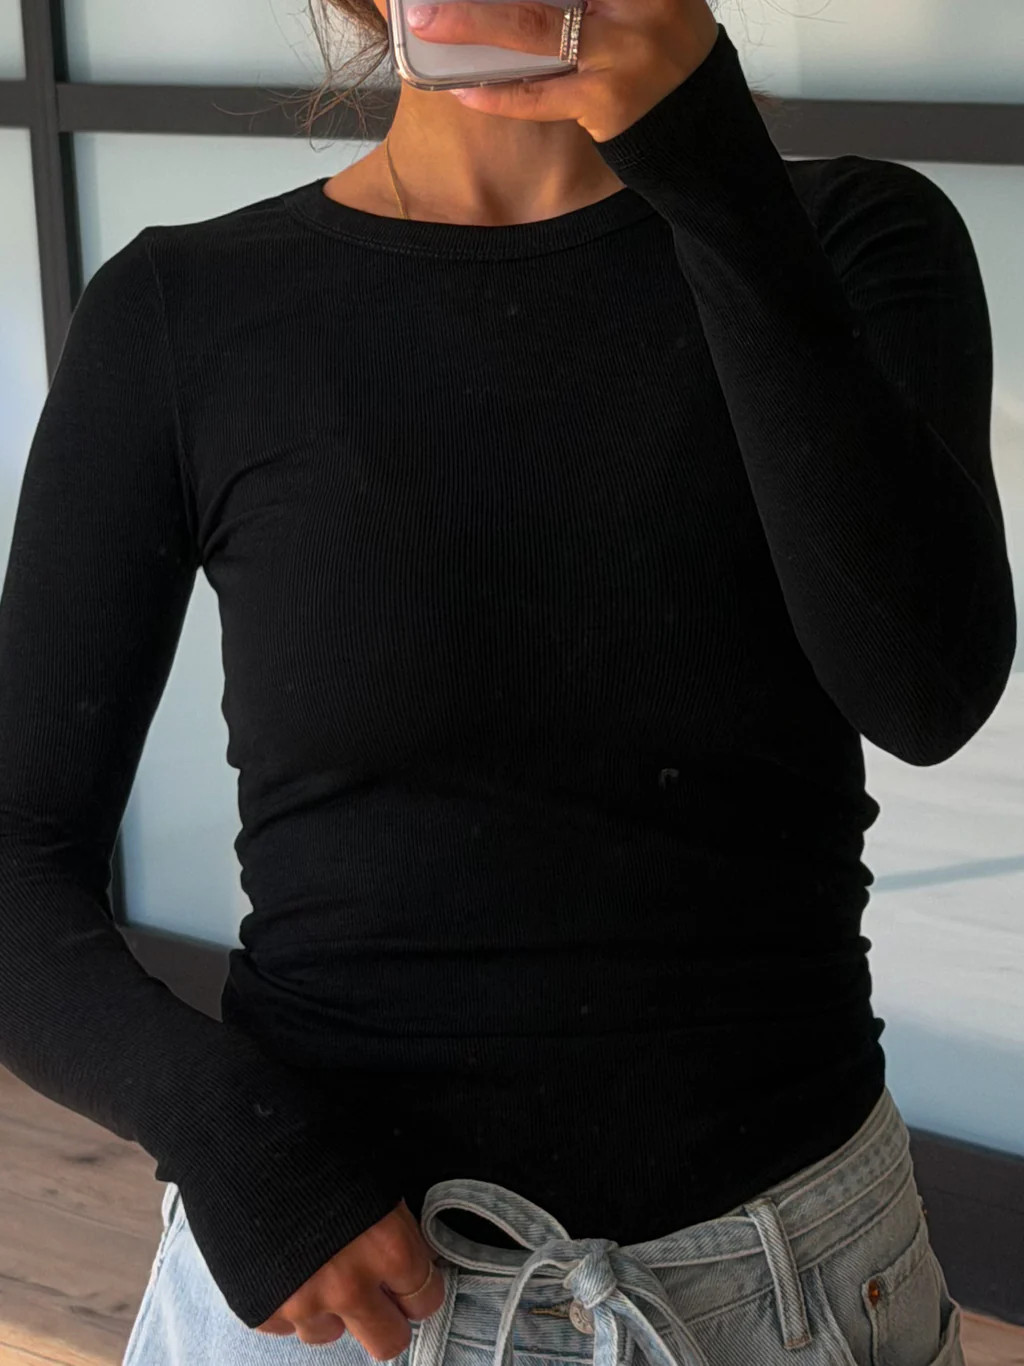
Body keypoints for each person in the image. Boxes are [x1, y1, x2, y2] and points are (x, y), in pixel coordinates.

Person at [0, 0, 1015, 1360]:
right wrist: (225, 1132)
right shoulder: (185, 310)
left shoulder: (849, 235)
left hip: (793, 1290)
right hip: (338, 1280)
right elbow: (15, 852)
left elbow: (925, 689)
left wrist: (707, 160)